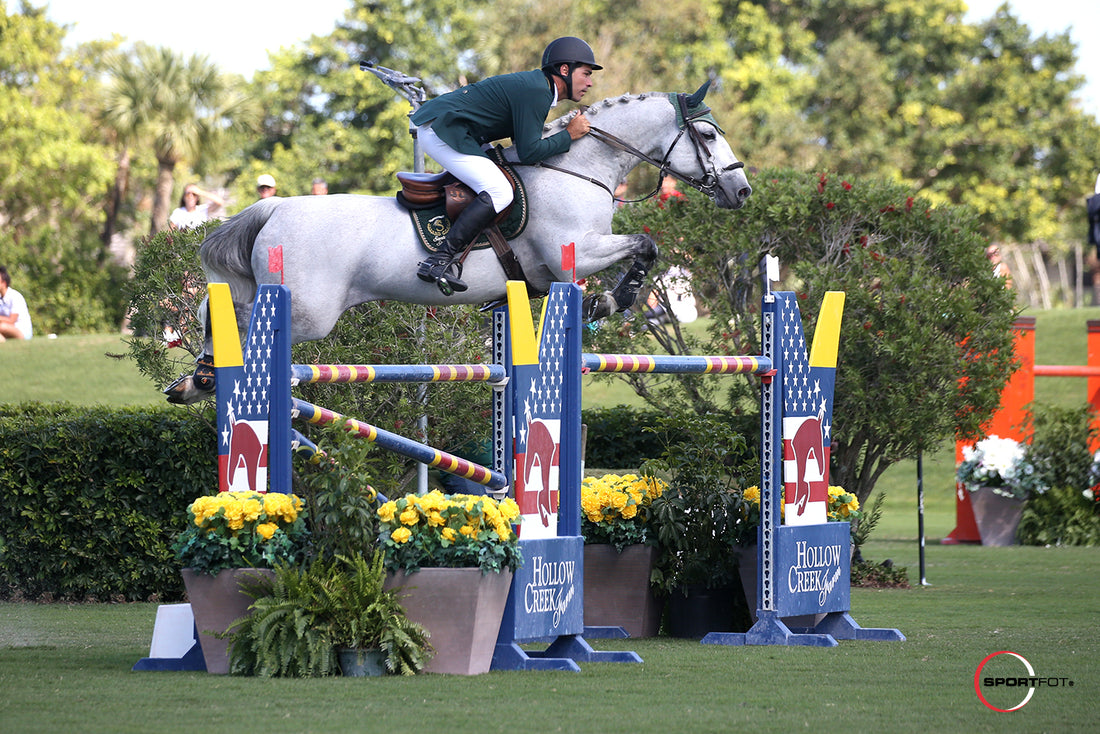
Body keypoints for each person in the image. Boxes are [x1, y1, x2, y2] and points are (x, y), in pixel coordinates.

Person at [409, 36, 601, 294]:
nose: (589, 82)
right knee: (501, 191)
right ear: (564, 70)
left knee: (504, 178)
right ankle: (439, 260)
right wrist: (569, 135)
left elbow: (521, 144)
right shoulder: (537, 91)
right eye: (586, 74)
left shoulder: (538, 87)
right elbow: (529, 151)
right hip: (442, 130)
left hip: (455, 129)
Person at [0, 265, 33, 341]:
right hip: (7, 330)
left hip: (22, 332)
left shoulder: (15, 296)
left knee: (2, 326)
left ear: (4, 283)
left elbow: (11, 320)